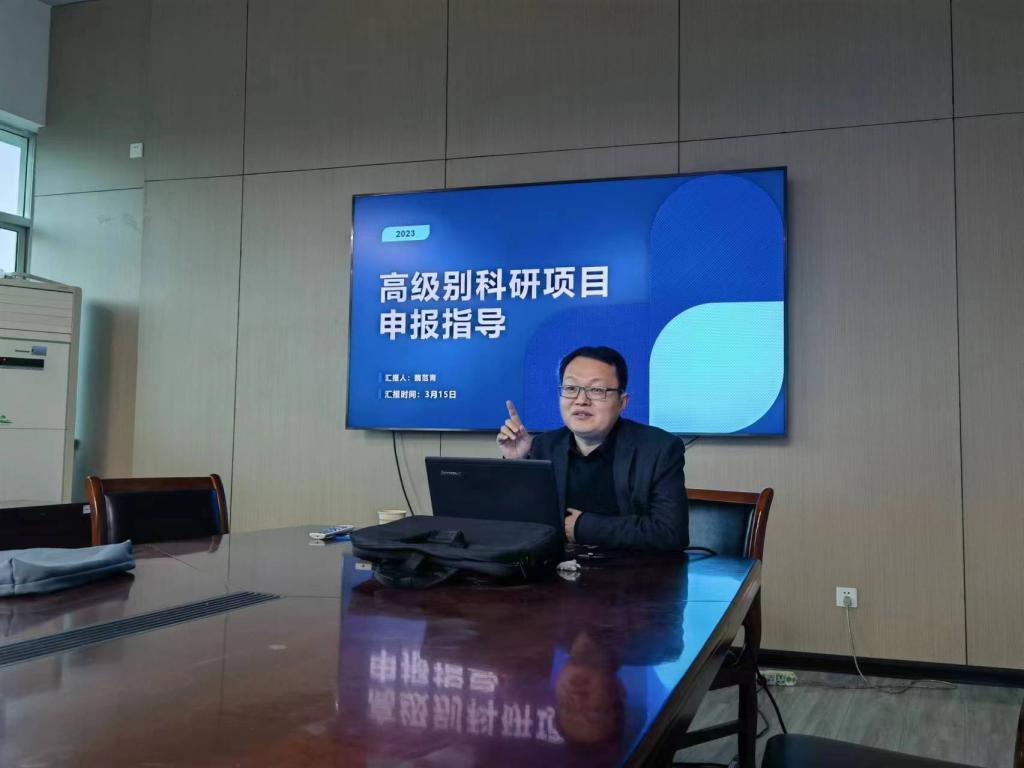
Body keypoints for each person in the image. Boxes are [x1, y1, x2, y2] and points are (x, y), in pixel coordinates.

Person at [496, 346, 688, 552]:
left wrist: (582, 527)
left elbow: (671, 533)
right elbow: (512, 527)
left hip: (634, 568)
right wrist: (517, 462)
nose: (581, 400)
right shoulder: (542, 447)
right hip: (556, 568)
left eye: (597, 390)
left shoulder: (659, 449)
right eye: (571, 388)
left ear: (622, 402)